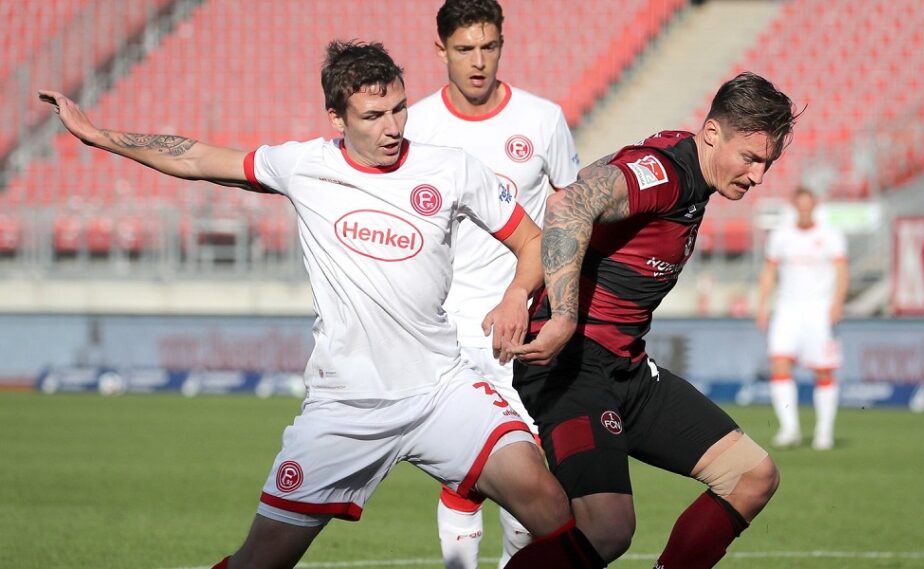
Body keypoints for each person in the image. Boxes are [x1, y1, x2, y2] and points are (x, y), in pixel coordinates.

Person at [41, 40, 605, 569]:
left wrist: (515, 295)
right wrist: (98, 135)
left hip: (441, 389)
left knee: (548, 505)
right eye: (373, 116)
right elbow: (195, 158)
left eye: (399, 110)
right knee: (261, 559)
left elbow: (535, 241)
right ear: (336, 118)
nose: (392, 127)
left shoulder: (451, 168)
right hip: (347, 406)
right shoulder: (302, 166)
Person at [509, 72, 798, 568]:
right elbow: (569, 202)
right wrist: (561, 314)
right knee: (608, 528)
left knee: (752, 477)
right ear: (713, 134)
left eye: (766, 164)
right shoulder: (666, 173)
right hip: (572, 366)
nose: (758, 177)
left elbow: (586, 184)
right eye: (750, 158)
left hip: (626, 369)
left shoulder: (689, 170)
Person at [404, 1, 579, 567]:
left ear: (502, 44)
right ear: (440, 51)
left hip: (520, 322)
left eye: (489, 47)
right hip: (445, 328)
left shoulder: (543, 119)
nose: (478, 61)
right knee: (464, 474)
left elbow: (571, 219)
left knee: (528, 473)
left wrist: (554, 303)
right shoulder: (416, 127)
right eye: (464, 49)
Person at [755, 187, 848, 451]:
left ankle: (824, 433)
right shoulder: (781, 236)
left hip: (819, 309)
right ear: (794, 206)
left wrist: (837, 302)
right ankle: (790, 429)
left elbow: (842, 271)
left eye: (809, 205)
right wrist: (762, 306)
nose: (805, 210)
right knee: (780, 364)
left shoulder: (830, 235)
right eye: (800, 205)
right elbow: (769, 272)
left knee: (823, 370)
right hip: (787, 309)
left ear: (814, 206)